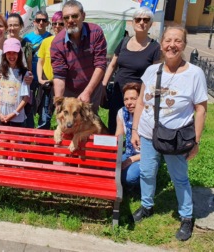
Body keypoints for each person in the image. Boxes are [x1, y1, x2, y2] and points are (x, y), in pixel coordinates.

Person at [131, 26, 208, 242]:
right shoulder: (151, 71)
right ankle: (147, 205)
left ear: (184, 45)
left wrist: (196, 141)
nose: (172, 45)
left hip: (176, 137)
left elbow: (201, 109)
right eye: (168, 40)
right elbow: (140, 102)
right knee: (146, 172)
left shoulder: (195, 73)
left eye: (177, 41)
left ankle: (186, 217)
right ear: (162, 43)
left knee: (179, 178)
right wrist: (135, 129)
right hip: (148, 132)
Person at [103, 7, 161, 134]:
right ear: (133, 22)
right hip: (118, 93)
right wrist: (103, 85)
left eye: (146, 20)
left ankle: (132, 152)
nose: (141, 22)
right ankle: (114, 152)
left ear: (150, 24)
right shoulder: (124, 41)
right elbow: (112, 65)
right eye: (138, 19)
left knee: (137, 128)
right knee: (114, 125)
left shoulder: (155, 47)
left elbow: (156, 75)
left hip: (139, 96)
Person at [51, 0, 107, 114]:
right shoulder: (57, 43)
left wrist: (88, 92)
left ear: (83, 16)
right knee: (69, 124)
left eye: (75, 16)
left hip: (92, 86)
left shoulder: (96, 32)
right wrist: (58, 101)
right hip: (69, 90)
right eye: (66, 18)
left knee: (88, 121)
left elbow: (100, 64)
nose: (70, 20)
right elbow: (59, 74)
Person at [22, 10, 51, 128]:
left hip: (45, 78)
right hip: (29, 77)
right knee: (28, 106)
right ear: (34, 21)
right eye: (38, 20)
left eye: (44, 20)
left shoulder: (51, 38)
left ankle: (41, 134)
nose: (41, 23)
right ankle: (29, 131)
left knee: (44, 106)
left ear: (47, 23)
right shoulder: (27, 38)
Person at [36, 11, 64, 130]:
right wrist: (40, 79)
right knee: (44, 117)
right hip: (48, 85)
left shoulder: (68, 42)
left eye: (60, 23)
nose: (57, 26)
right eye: (54, 23)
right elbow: (40, 62)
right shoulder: (46, 41)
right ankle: (42, 145)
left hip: (63, 86)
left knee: (63, 117)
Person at [0, 38, 29, 127]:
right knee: (2, 138)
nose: (12, 56)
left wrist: (14, 114)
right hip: (2, 115)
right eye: (9, 53)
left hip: (17, 116)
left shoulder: (24, 72)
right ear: (4, 54)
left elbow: (25, 98)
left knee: (14, 140)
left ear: (19, 54)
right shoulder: (1, 70)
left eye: (14, 53)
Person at [114, 83, 142, 190]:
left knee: (129, 177)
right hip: (129, 152)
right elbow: (118, 137)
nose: (128, 103)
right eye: (126, 99)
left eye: (133, 99)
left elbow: (153, 151)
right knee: (110, 167)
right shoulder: (122, 113)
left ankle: (144, 182)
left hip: (146, 156)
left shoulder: (149, 115)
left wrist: (129, 160)